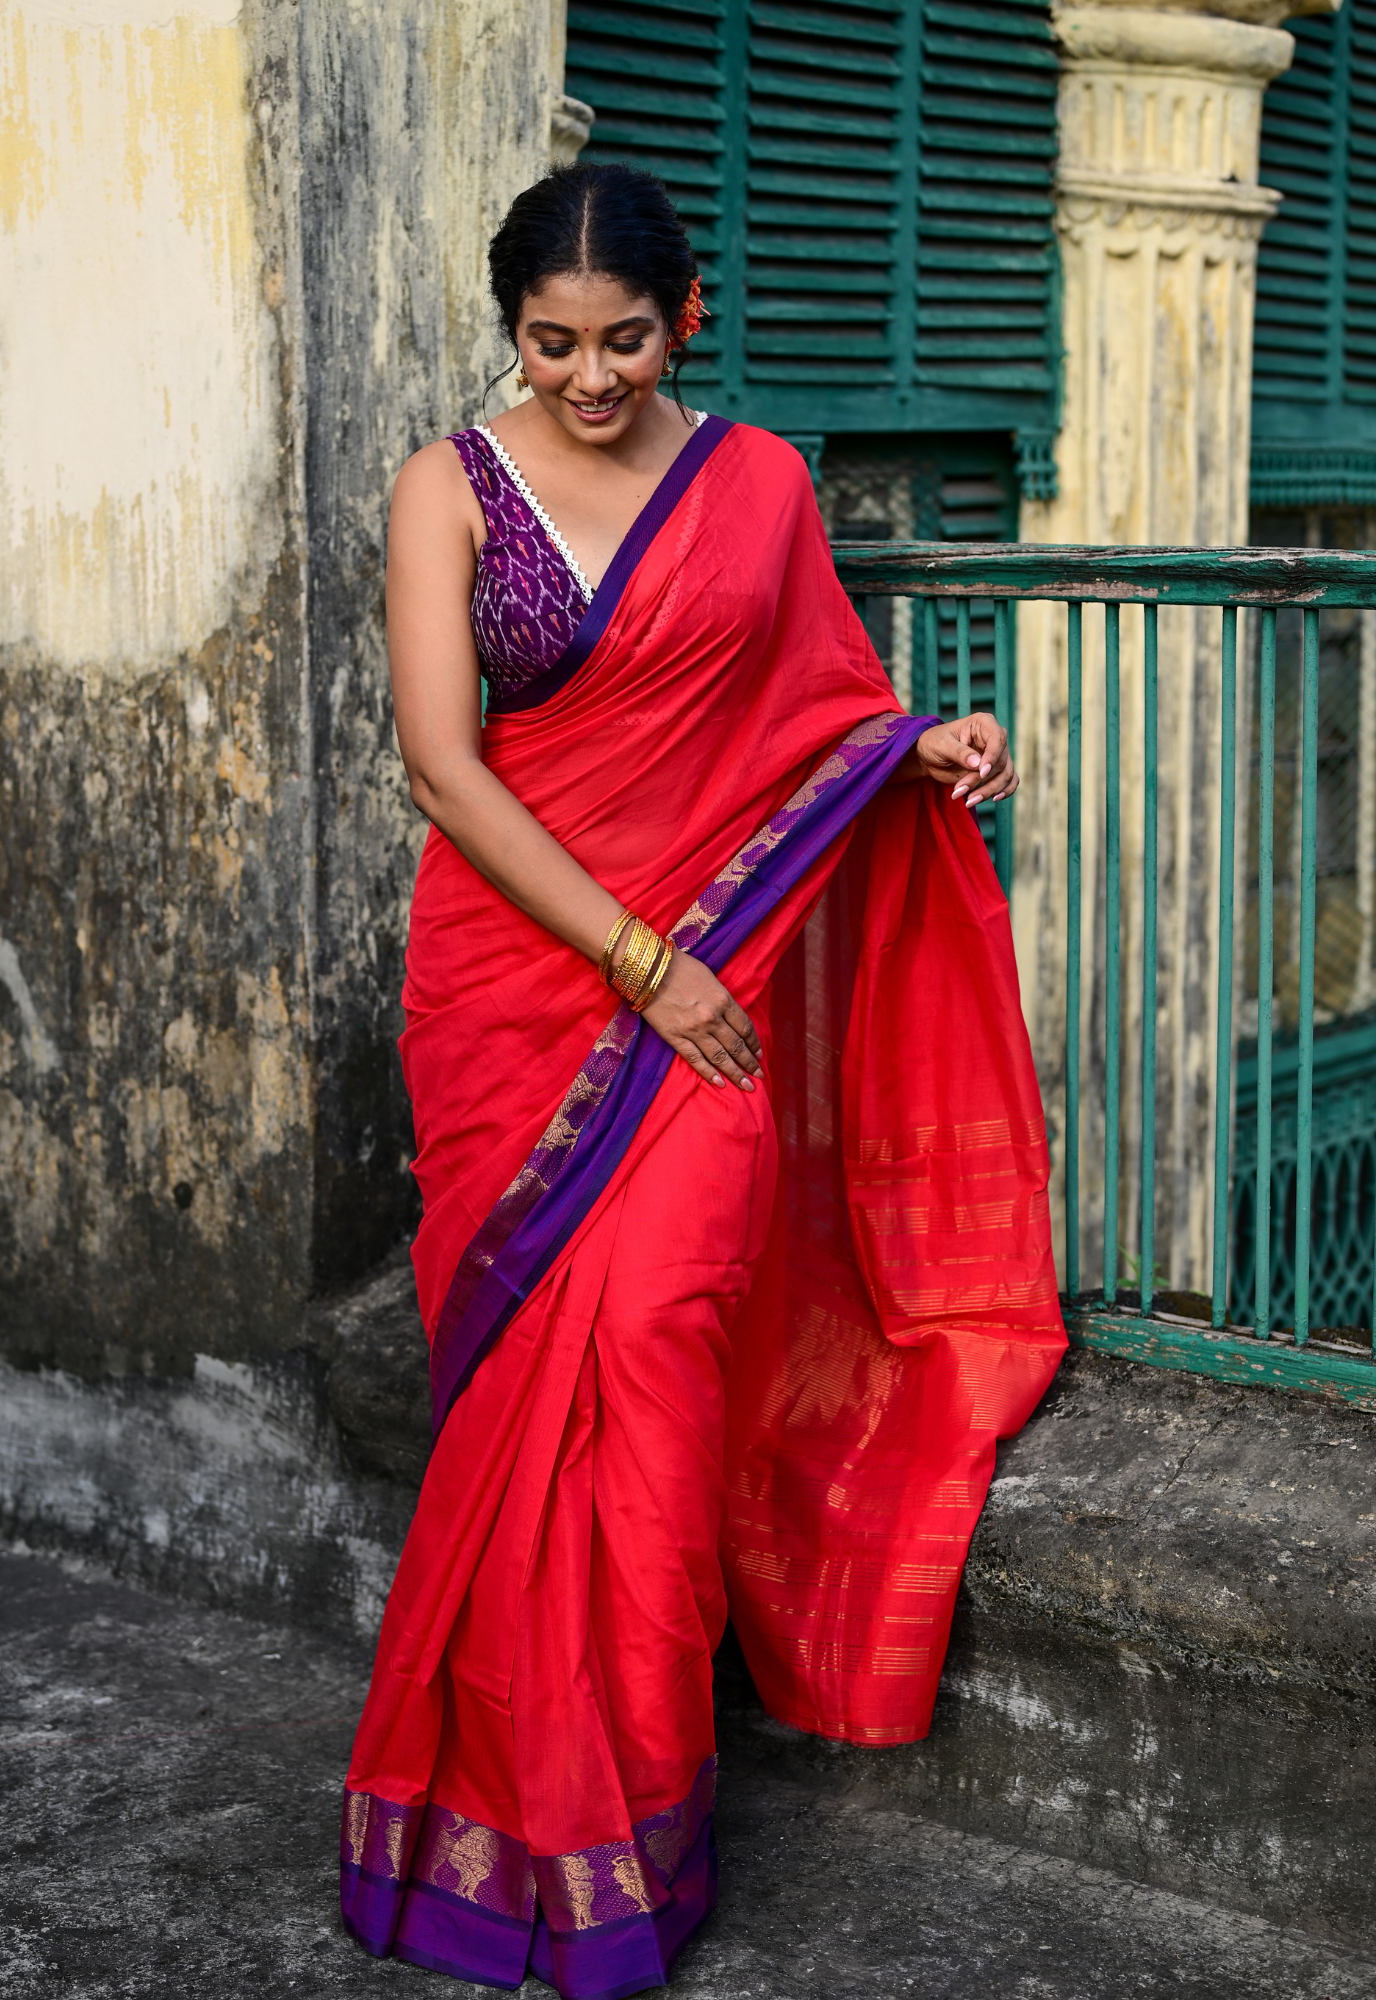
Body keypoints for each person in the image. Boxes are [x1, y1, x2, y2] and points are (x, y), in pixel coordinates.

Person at [340, 161, 1064, 1999]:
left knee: (658, 1346)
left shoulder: (756, 482)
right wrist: (638, 965)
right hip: (524, 993)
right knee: (525, 1397)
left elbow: (811, 696)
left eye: (627, 340)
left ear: (688, 320)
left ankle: (631, 1821)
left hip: (704, 993)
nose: (591, 376)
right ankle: (497, 1828)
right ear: (513, 331)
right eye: (551, 343)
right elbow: (445, 765)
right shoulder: (446, 489)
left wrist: (919, 749)